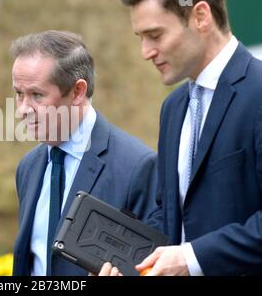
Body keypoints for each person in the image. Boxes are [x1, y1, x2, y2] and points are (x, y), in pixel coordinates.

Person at [101, 0, 262, 276]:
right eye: (141, 37)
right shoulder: (173, 108)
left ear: (200, 16)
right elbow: (168, 214)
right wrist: (127, 265)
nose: (146, 52)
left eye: (155, 35)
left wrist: (191, 259)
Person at [10, 30, 158, 276]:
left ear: (78, 92)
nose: (23, 109)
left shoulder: (137, 168)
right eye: (18, 94)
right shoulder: (28, 167)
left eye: (37, 95)